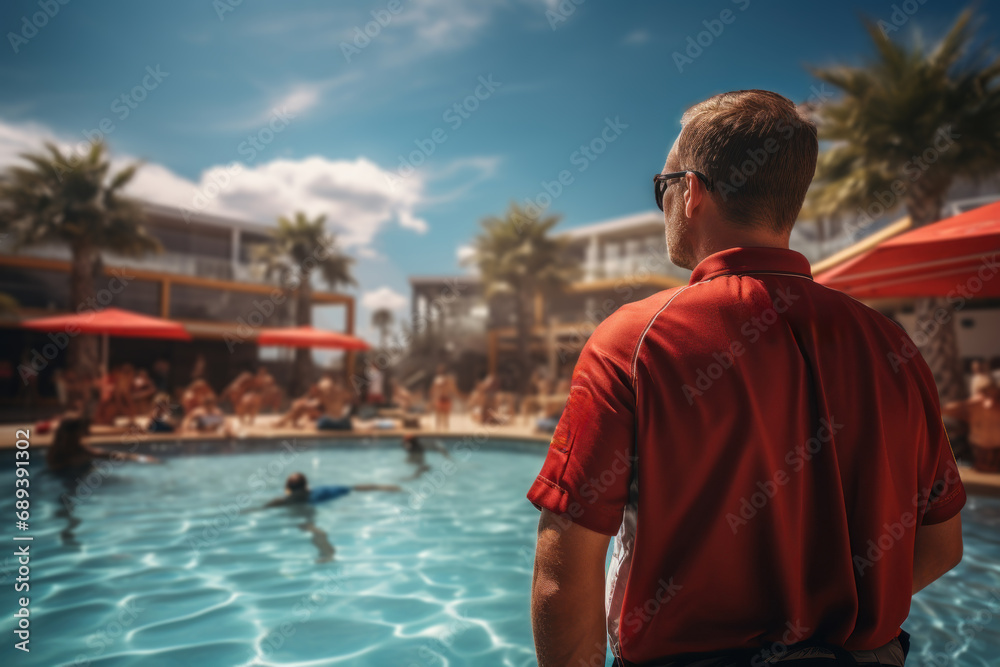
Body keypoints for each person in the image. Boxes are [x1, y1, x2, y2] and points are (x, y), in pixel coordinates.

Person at [527, 90, 965, 667]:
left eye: (662, 189)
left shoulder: (635, 342)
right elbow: (942, 544)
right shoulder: (892, 347)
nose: (664, 206)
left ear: (693, 191)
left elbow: (565, 570)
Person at [46, 415, 162, 472]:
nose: (80, 437)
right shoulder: (58, 454)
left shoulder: (80, 450)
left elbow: (114, 455)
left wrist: (142, 458)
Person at [943, 377, 1000, 473]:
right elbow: (945, 410)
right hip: (977, 451)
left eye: (992, 394)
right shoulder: (971, 406)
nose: (989, 402)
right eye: (985, 393)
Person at [263, 472, 402, 507]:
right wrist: (385, 487)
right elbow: (353, 488)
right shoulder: (320, 491)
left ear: (287, 489)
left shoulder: (284, 501)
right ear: (306, 486)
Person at [430, 364, 458, 429]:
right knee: (439, 420)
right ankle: (439, 433)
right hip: (441, 400)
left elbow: (452, 390)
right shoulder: (439, 380)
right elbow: (433, 390)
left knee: (444, 420)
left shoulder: (447, 380)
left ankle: (444, 432)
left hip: (445, 399)